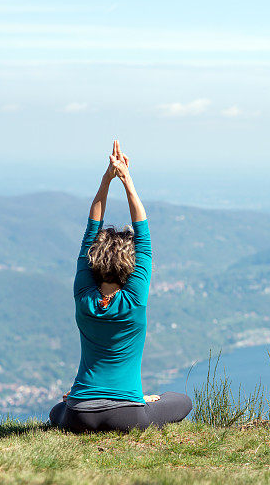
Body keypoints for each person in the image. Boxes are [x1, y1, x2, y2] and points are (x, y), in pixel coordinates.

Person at [49, 140, 192, 432]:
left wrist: (106, 179)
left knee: (57, 410)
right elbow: (144, 238)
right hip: (127, 414)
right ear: (131, 265)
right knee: (181, 400)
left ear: (92, 261)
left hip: (80, 414)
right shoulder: (134, 300)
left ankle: (78, 401)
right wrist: (127, 180)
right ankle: (140, 399)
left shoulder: (83, 296)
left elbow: (91, 229)